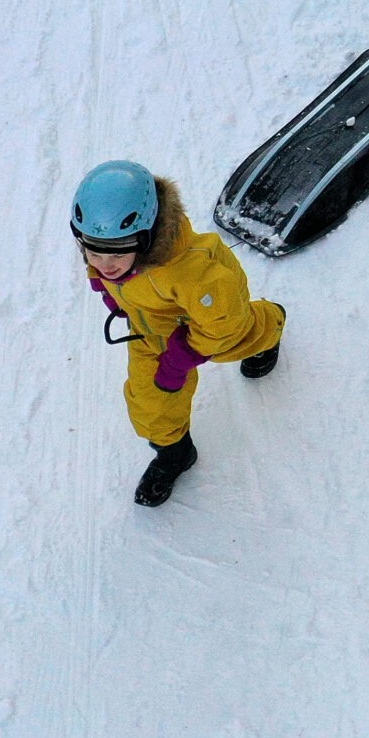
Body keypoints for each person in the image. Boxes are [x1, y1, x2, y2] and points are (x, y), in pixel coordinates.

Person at [71, 160, 287, 506]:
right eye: (92, 252)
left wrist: (183, 356)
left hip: (210, 320)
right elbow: (104, 265)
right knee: (150, 402)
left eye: (115, 254)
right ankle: (175, 452)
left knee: (242, 334)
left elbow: (222, 323)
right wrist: (108, 290)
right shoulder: (109, 257)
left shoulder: (195, 272)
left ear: (147, 237)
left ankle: (272, 322)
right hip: (149, 330)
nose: (104, 264)